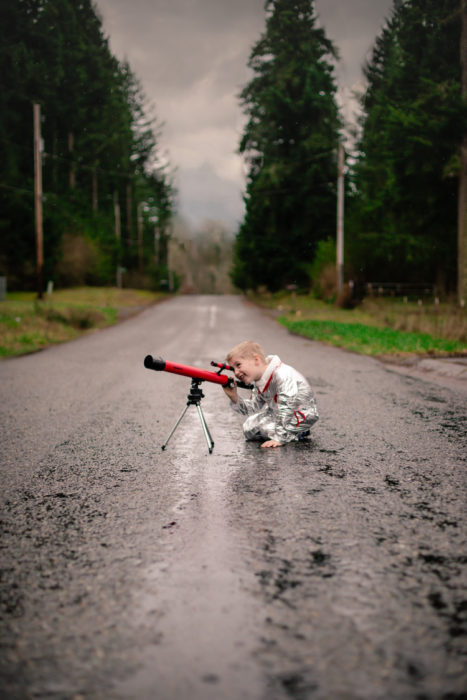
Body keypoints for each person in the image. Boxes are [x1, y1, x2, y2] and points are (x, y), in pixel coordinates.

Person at [223, 340, 318, 449]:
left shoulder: (282, 374)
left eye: (238, 365)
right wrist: (234, 397)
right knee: (248, 428)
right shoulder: (259, 381)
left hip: (300, 414)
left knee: (265, 429)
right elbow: (252, 408)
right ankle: (285, 431)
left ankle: (300, 432)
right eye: (233, 369)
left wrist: (279, 438)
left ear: (256, 360)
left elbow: (287, 405)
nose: (236, 373)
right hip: (277, 413)